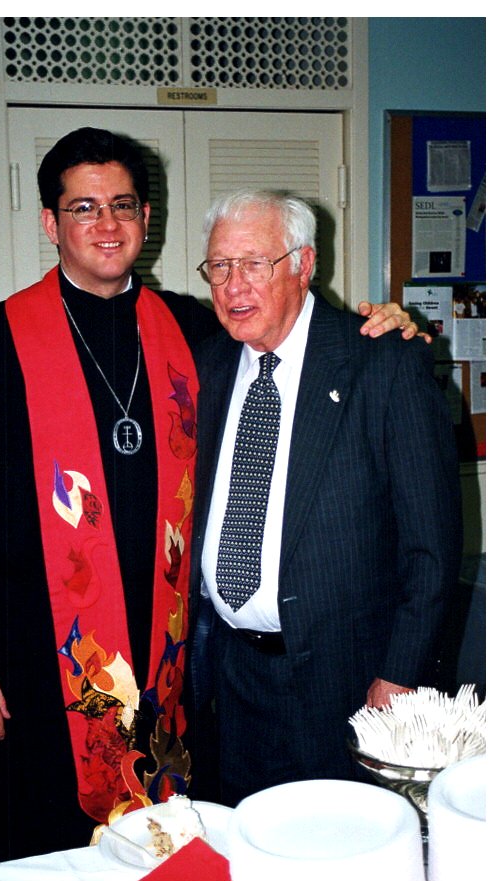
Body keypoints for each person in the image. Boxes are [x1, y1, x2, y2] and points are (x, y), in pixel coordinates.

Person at [0, 127, 420, 866]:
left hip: (170, 652)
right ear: (51, 222)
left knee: (173, 839)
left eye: (122, 205)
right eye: (84, 208)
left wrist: (385, 326)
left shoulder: (191, 327)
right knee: (49, 846)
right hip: (42, 650)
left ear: (147, 218)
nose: (107, 224)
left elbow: (299, 338)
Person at [188, 189, 463, 808]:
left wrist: (399, 675)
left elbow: (433, 546)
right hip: (232, 676)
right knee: (245, 833)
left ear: (304, 264)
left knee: (342, 840)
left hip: (350, 681)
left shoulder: (382, 362)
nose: (234, 285)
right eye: (220, 266)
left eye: (254, 263)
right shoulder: (205, 365)